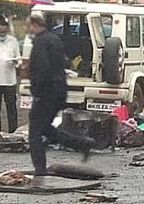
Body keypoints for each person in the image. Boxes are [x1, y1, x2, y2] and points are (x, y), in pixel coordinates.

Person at [26, 13, 94, 179]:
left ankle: (40, 170)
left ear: (35, 25)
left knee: (34, 133)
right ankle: (83, 143)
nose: (26, 29)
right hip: (58, 91)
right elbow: (64, 62)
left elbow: (43, 68)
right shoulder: (54, 39)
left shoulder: (41, 42)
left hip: (46, 92)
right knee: (45, 129)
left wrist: (36, 90)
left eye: (28, 26)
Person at [0, 16, 21, 133]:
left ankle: (13, 132)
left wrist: (15, 61)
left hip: (9, 80)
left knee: (11, 107)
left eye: (4, 30)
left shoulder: (13, 41)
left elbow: (19, 59)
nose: (2, 32)